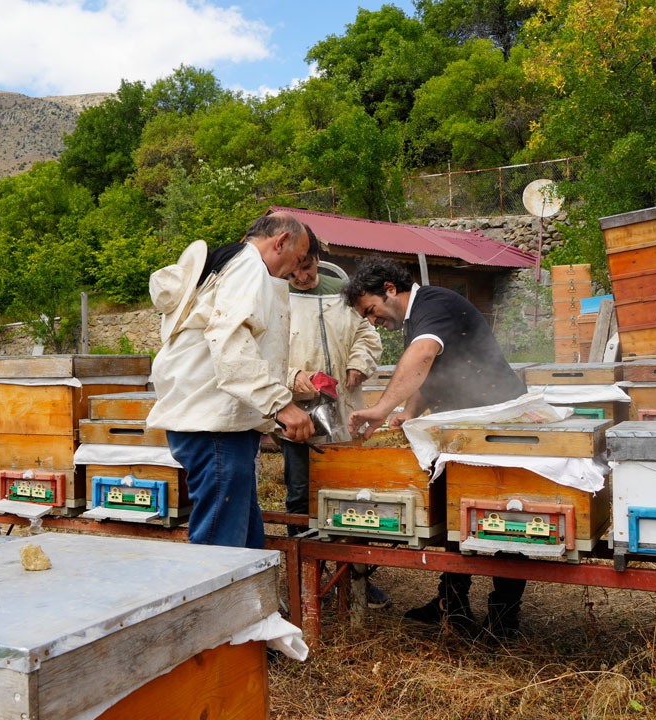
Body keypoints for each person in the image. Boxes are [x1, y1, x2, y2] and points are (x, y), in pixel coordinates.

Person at [344, 256, 528, 639]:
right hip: (462, 423)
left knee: (500, 515)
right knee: (450, 508)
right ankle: (452, 602)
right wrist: (404, 415)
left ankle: (504, 615)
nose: (373, 321)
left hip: (495, 420)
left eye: (372, 311)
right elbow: (432, 375)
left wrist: (381, 406)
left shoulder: (433, 304)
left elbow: (424, 355)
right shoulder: (421, 317)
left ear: (390, 290)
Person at [146, 212, 316, 550]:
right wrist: (280, 405)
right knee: (219, 549)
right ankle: (206, 604)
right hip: (214, 428)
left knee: (245, 539)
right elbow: (230, 342)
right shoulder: (248, 266)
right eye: (297, 260)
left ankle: (254, 603)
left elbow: (249, 348)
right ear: (280, 241)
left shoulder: (231, 262)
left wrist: (286, 382)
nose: (297, 272)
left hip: (216, 425)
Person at [284, 236, 387, 606]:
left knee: (349, 499)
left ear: (316, 259)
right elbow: (261, 354)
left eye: (307, 267)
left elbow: (367, 335)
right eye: (293, 270)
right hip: (297, 415)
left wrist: (359, 364)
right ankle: (303, 580)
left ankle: (353, 578)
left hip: (343, 412)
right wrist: (294, 376)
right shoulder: (274, 295)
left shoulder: (342, 293)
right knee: (300, 497)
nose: (300, 276)